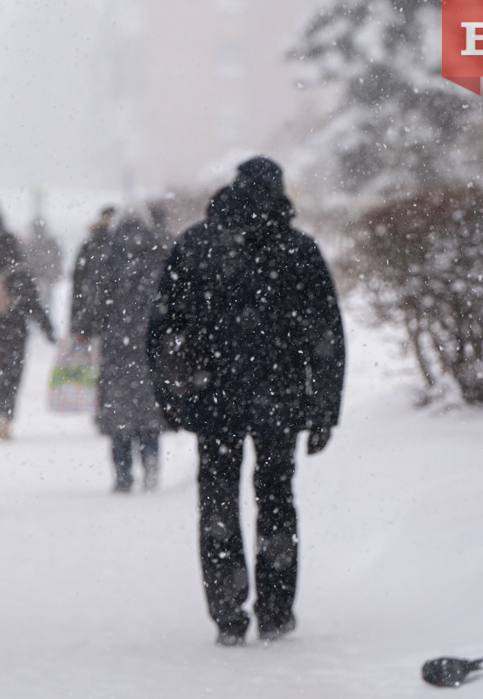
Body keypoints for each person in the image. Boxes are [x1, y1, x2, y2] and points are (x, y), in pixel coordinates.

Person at [147, 157, 346, 646]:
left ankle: (228, 613)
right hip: (278, 399)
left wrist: (169, 396)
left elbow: (162, 329)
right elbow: (326, 337)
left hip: (211, 396)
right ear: (278, 194)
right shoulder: (297, 250)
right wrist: (323, 410)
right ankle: (275, 612)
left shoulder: (195, 245)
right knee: (276, 499)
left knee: (217, 501)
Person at [75, 213, 168, 492]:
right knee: (149, 410)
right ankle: (151, 460)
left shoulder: (107, 256)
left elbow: (95, 301)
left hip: (117, 346)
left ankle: (123, 472)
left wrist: (83, 327)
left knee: (118, 413)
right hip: (150, 345)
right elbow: (169, 298)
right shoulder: (157, 254)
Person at [0, 200, 56, 439]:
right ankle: (2, 416)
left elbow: (29, 296)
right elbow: (30, 298)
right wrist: (47, 328)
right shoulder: (9, 254)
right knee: (5, 374)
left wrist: (46, 327)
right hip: (8, 327)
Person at [70, 205, 115, 337]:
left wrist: (76, 324)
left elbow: (77, 284)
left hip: (89, 315)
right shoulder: (122, 245)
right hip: (115, 320)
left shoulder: (89, 244)